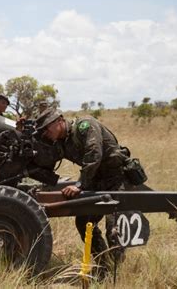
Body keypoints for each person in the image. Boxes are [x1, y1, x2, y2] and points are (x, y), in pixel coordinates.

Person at [35, 107, 131, 278]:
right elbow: (44, 160)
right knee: (84, 222)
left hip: (115, 179)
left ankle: (119, 276)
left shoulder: (85, 126)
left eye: (47, 129)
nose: (46, 134)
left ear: (59, 121)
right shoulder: (60, 143)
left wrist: (79, 185)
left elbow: (94, 154)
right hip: (96, 181)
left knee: (114, 229)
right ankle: (104, 266)